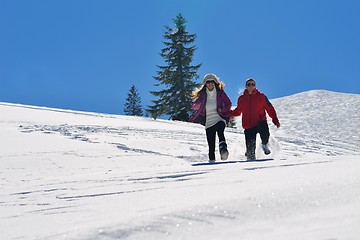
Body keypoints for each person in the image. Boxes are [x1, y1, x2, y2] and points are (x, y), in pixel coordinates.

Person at [230, 78, 280, 160]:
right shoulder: (241, 98)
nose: (251, 86)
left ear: (255, 86)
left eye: (253, 84)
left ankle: (264, 144)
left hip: (260, 122)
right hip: (248, 126)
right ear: (246, 86)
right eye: (249, 84)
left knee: (265, 133)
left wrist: (275, 119)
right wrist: (228, 114)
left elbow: (269, 108)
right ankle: (249, 153)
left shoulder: (261, 96)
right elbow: (238, 111)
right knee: (250, 155)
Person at [189, 73, 232, 162]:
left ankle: (223, 150)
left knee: (220, 132)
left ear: (215, 83)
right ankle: (211, 162)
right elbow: (194, 105)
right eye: (208, 82)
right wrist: (197, 105)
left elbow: (229, 103)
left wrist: (222, 109)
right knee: (211, 144)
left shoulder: (220, 93)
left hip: (219, 117)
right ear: (205, 84)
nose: (210, 84)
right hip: (209, 121)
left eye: (212, 82)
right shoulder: (202, 94)